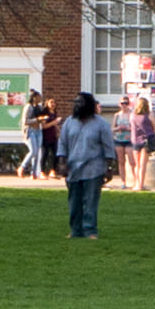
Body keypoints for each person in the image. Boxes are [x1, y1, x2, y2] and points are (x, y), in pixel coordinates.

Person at [56, 90, 115, 239]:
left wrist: (108, 169)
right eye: (75, 102)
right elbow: (62, 144)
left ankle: (90, 230)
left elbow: (108, 147)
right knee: (74, 202)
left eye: (80, 102)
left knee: (90, 201)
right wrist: (62, 163)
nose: (76, 105)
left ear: (88, 105)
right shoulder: (69, 122)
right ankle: (75, 231)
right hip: (73, 168)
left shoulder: (101, 124)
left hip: (94, 168)